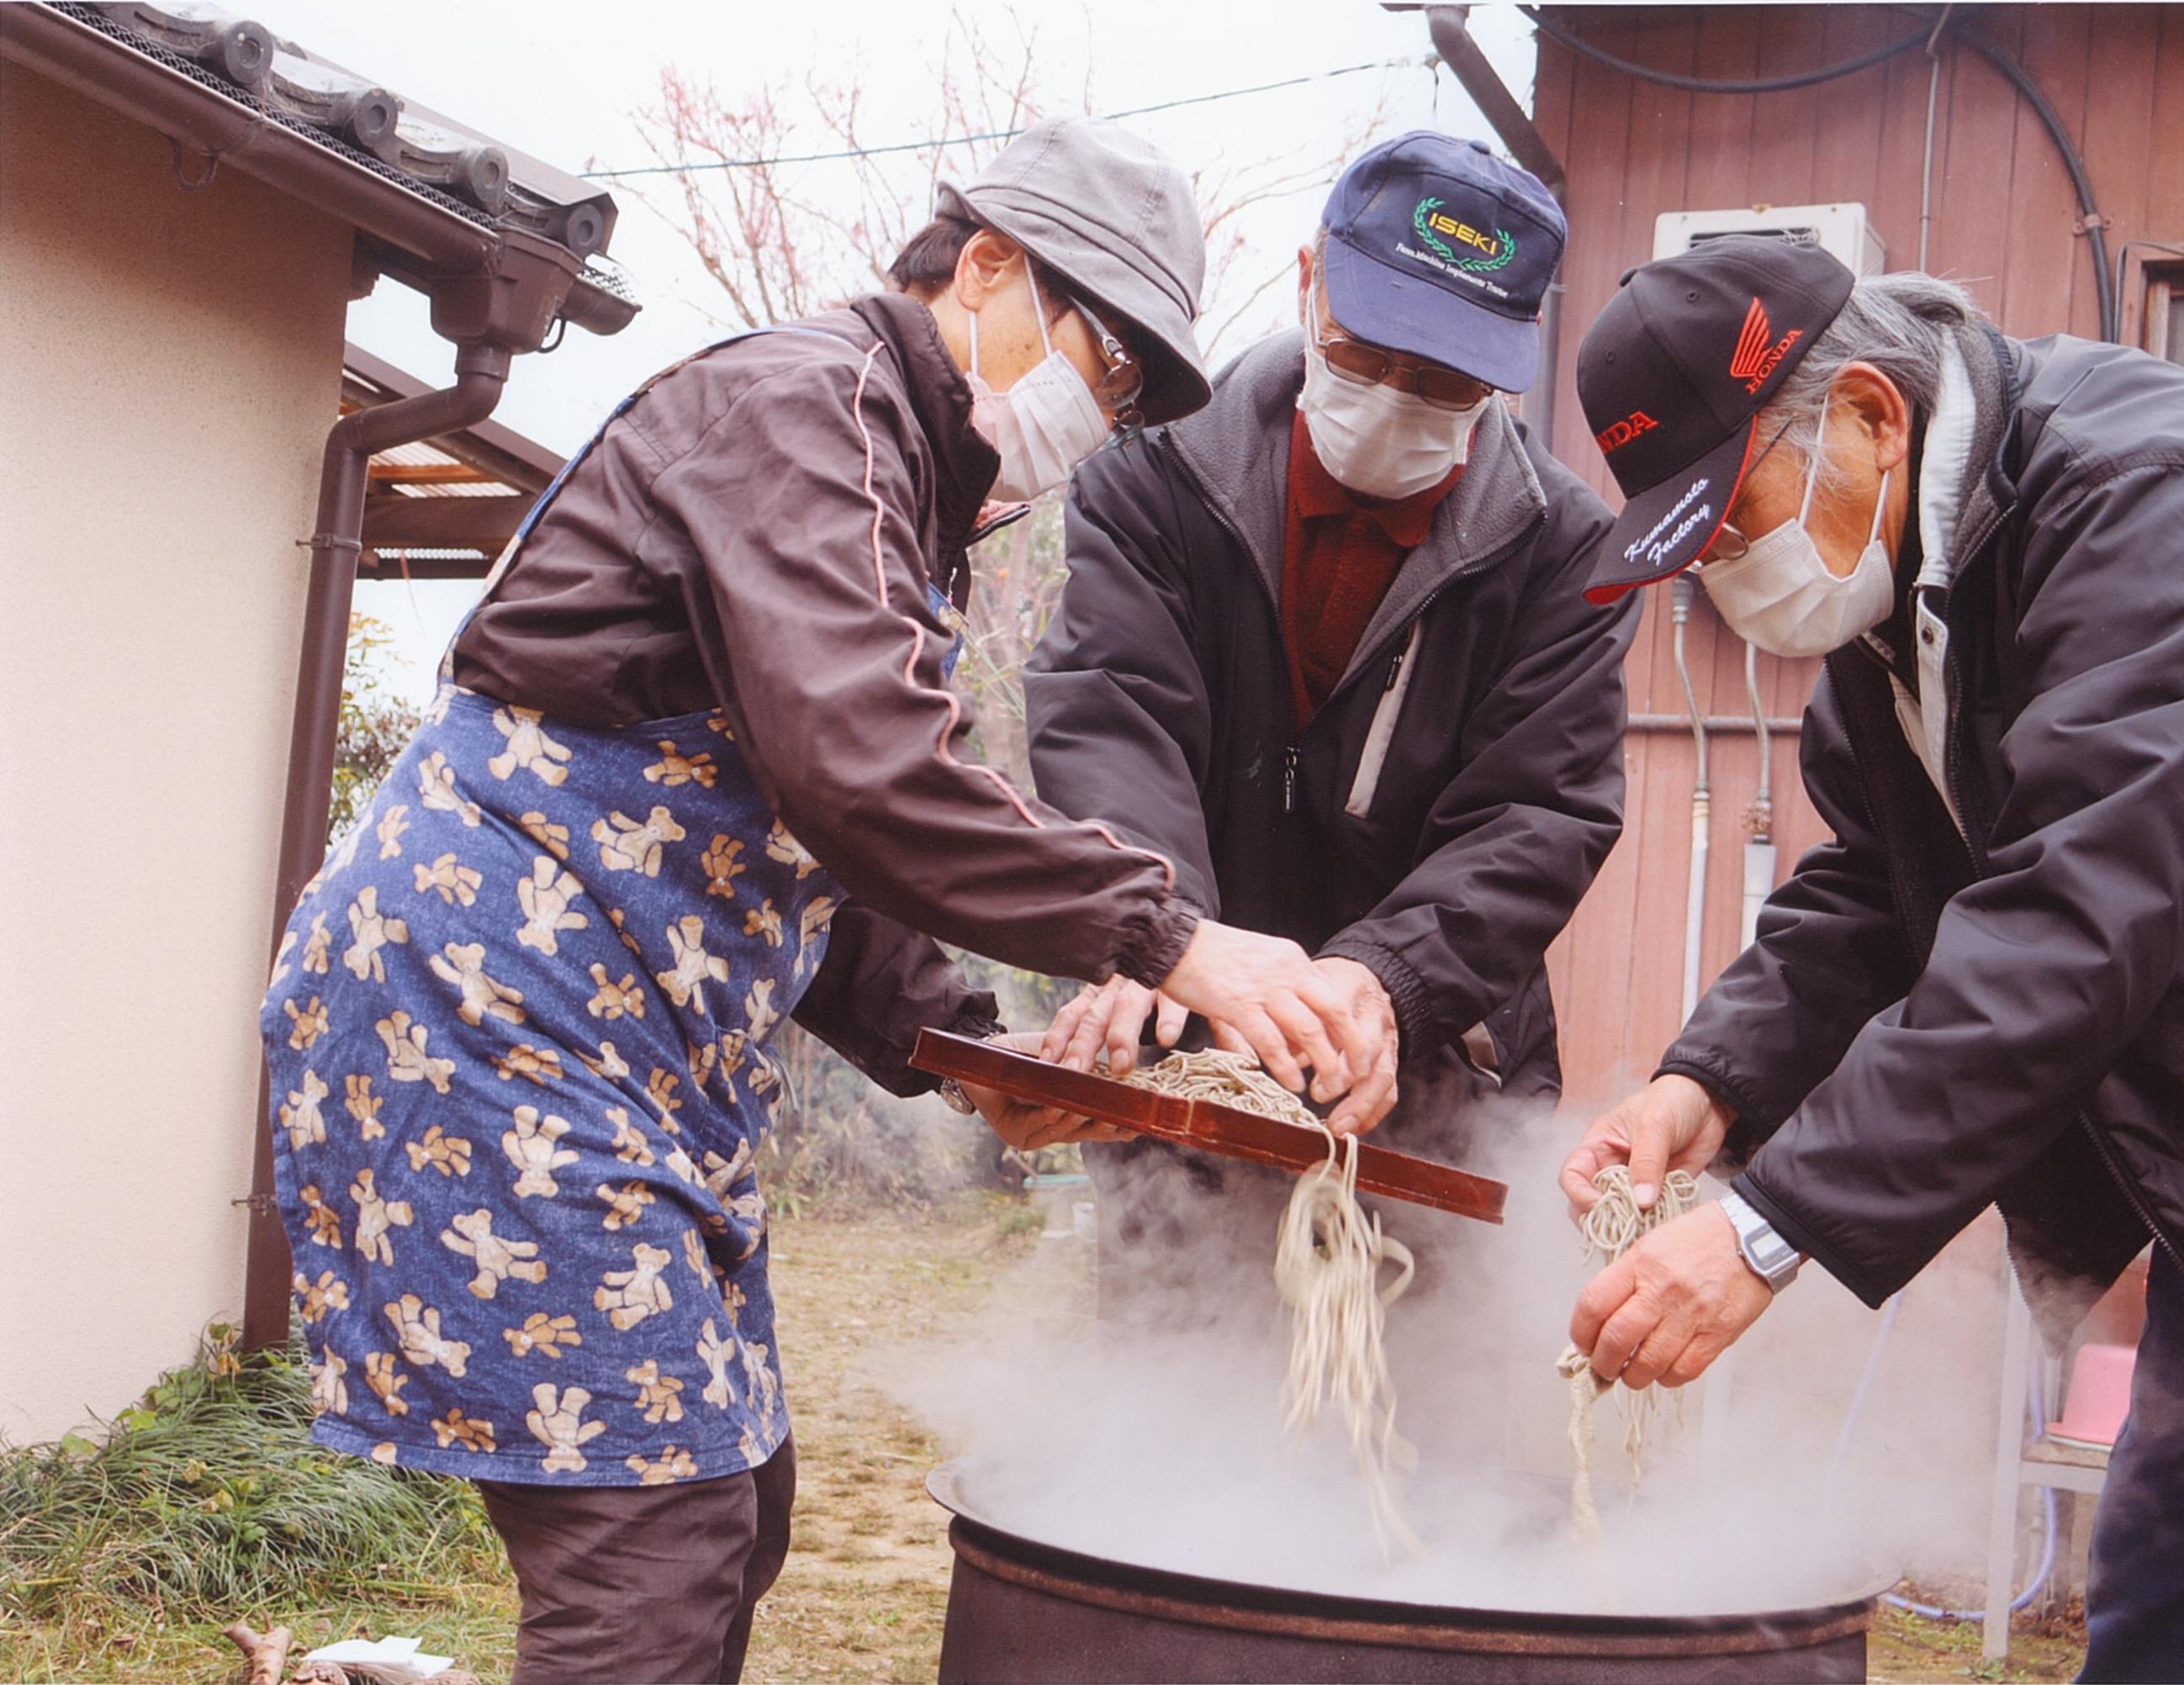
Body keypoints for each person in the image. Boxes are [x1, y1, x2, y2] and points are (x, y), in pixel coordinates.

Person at [258, 118, 1382, 1685]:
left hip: (623, 1055)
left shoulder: (908, 484)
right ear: (987, 263)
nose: (1104, 410)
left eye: (1132, 393)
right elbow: (864, 771)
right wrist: (1172, 931)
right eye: (1107, 357)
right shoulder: (803, 404)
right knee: (650, 1546)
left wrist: (973, 1057)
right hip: (491, 1017)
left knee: (739, 1503)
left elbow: (821, 845)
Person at [1557, 236, 2184, 1682]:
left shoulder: (2158, 508)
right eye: (1687, 548)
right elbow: (1883, 891)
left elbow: (2072, 920)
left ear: (1874, 417)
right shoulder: (1900, 632)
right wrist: (1709, 1083)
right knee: (2172, 1619)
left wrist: (1773, 1229)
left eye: (1730, 517)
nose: (1716, 574)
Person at [1022, 131, 1637, 1305]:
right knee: (1172, 1396)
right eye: (1368, 354)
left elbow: (1539, 810)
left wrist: (1388, 982)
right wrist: (1156, 933)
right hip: (1185, 1036)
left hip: (1429, 1059)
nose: (1398, 397)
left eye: (1445, 382)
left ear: (1506, 373)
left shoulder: (1564, 555)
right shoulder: (1152, 479)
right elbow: (1112, 714)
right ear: (1311, 284)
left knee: (1415, 1421)